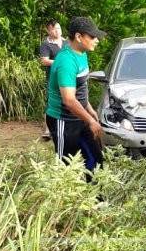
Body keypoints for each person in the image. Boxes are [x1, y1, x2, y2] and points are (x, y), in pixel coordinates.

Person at [45, 16, 106, 180]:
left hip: (80, 116)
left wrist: (89, 109)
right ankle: (64, 202)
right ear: (79, 37)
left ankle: (96, 200)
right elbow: (69, 100)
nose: (97, 40)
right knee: (67, 167)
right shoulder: (66, 60)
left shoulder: (82, 53)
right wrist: (91, 121)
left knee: (95, 159)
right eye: (92, 37)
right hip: (63, 121)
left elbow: (81, 88)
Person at [37, 19, 64, 139]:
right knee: (51, 103)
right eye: (54, 29)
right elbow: (44, 61)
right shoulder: (46, 44)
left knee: (68, 101)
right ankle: (48, 130)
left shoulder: (67, 42)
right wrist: (61, 63)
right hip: (52, 79)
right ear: (48, 30)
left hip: (67, 78)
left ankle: (66, 127)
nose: (57, 30)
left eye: (58, 28)